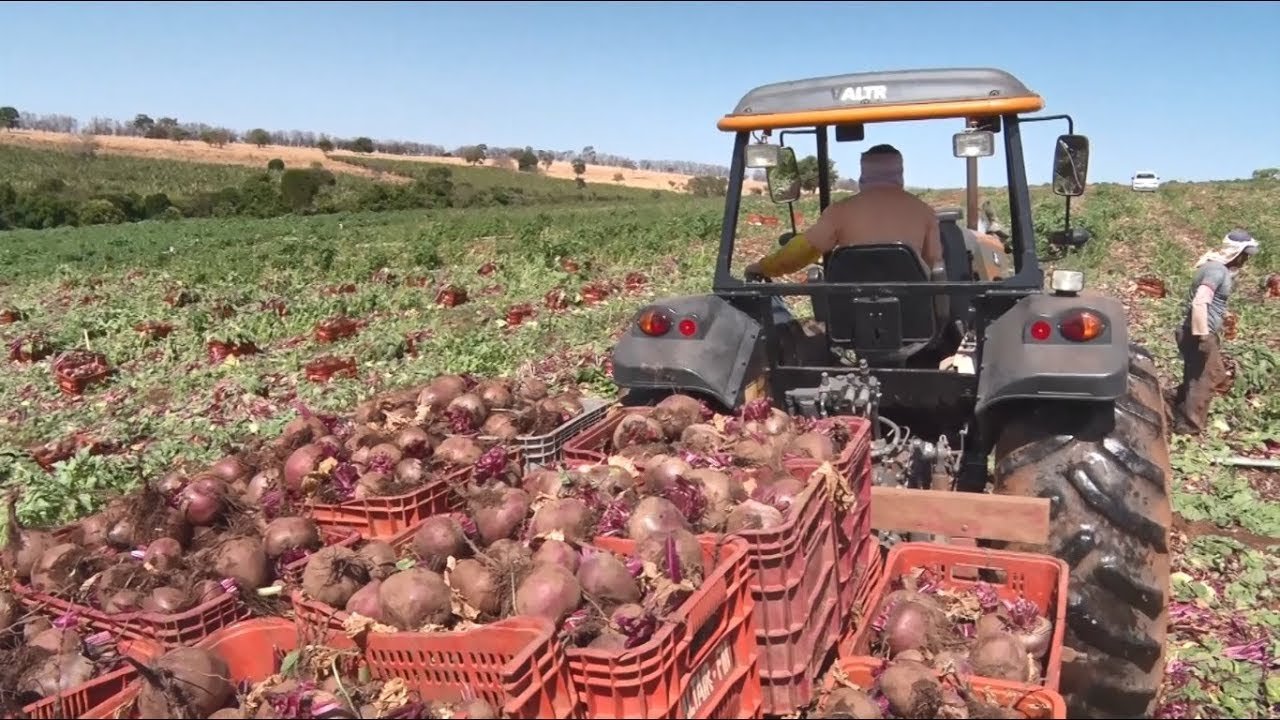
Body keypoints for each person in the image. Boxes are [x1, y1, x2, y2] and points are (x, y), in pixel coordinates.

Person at [744, 144, 943, 279]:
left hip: (850, 320)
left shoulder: (840, 211)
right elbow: (935, 263)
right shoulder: (923, 211)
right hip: (915, 316)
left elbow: (801, 252)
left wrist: (762, 267)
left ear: (864, 172)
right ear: (899, 171)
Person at [1169, 229, 1260, 435]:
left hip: (1197, 330)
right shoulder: (1216, 271)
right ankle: (1188, 427)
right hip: (1199, 332)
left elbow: (1210, 302)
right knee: (1206, 378)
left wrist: (1223, 315)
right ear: (1236, 253)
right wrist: (1203, 334)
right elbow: (1200, 300)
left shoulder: (1216, 268)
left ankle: (1177, 403)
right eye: (1245, 255)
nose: (1246, 260)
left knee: (1204, 374)